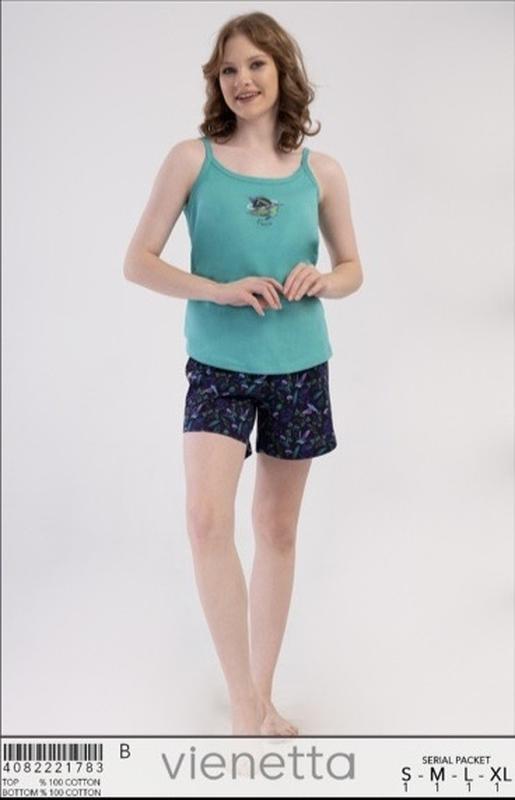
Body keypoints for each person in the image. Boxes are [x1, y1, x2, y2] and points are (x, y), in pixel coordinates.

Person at [123, 11, 363, 737]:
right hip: (218, 367)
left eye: (256, 65)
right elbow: (138, 262)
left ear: (282, 71)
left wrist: (324, 280)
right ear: (216, 81)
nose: (242, 80)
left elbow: (352, 268)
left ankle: (264, 695)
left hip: (299, 367)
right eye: (228, 69)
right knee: (206, 522)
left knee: (276, 529)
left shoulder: (322, 172)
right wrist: (219, 289)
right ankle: (241, 703)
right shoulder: (190, 160)